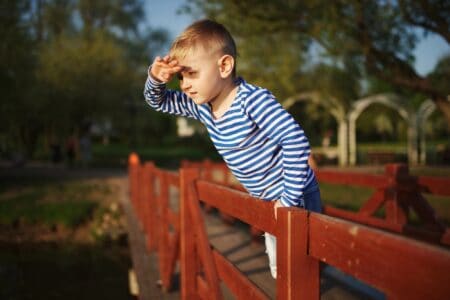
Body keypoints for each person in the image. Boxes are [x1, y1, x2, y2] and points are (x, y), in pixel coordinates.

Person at [143, 19, 321, 279]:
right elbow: (158, 101)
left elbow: (295, 141)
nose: (183, 84)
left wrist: (288, 200)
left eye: (191, 74)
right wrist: (155, 78)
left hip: (295, 195)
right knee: (281, 273)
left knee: (299, 274)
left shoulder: (252, 101)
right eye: (180, 77)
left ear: (225, 66)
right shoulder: (201, 105)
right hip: (270, 201)